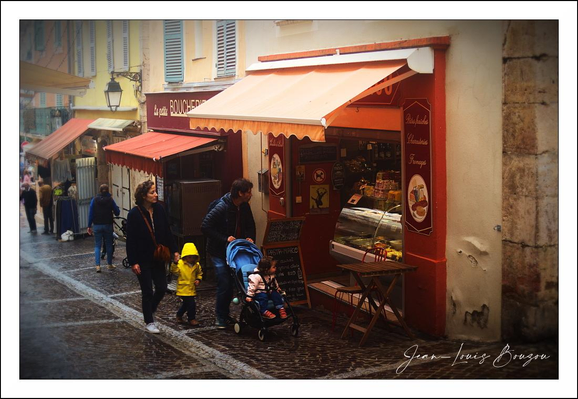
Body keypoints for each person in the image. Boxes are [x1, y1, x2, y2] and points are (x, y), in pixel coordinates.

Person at [201, 178, 256, 329]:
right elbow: (205, 226)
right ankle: (220, 316)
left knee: (234, 282)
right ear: (241, 193)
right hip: (219, 251)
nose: (251, 195)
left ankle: (226, 314)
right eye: (249, 192)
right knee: (224, 282)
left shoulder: (244, 206)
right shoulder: (221, 207)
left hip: (235, 251)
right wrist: (225, 239)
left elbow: (250, 224)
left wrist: (250, 238)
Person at [126, 180, 179, 334]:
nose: (155, 195)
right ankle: (149, 321)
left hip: (158, 256)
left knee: (162, 287)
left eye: (155, 192)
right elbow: (131, 240)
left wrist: (175, 250)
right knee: (147, 291)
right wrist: (133, 261)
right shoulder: (134, 214)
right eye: (152, 192)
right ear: (143, 195)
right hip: (142, 258)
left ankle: (150, 309)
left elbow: (168, 232)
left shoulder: (160, 210)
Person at [87, 184, 120, 273]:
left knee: (97, 245)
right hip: (108, 225)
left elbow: (91, 214)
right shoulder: (110, 200)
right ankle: (109, 264)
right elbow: (117, 212)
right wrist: (116, 209)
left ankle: (98, 266)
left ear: (100, 191)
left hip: (97, 225)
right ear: (108, 190)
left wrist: (89, 226)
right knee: (109, 244)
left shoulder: (94, 200)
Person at [170, 242, 203, 326]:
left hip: (191, 288)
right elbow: (174, 271)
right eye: (189, 257)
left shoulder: (196, 265)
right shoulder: (181, 264)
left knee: (186, 304)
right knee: (191, 304)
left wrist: (198, 279)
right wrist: (175, 263)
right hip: (183, 289)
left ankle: (179, 315)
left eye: (193, 257)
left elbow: (200, 273)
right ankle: (191, 318)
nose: (191, 259)